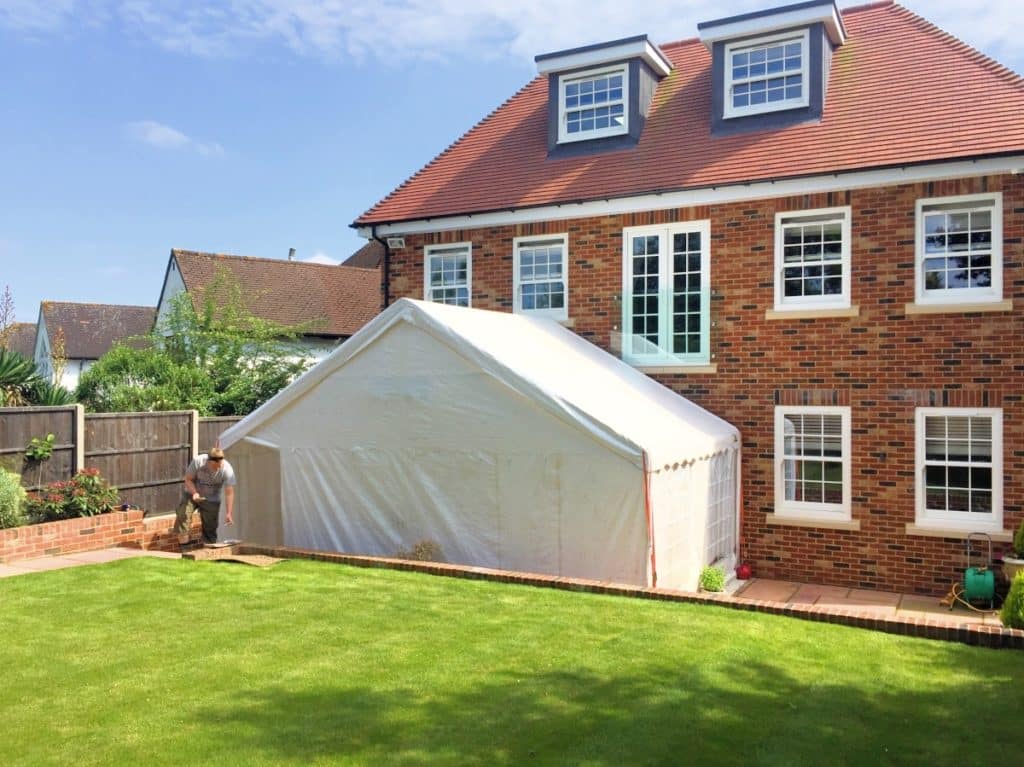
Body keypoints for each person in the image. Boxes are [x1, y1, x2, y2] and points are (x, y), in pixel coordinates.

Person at [176, 447, 236, 547]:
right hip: (192, 493)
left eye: (220, 465)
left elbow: (229, 493)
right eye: (215, 466)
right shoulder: (198, 462)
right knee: (183, 514)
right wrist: (194, 493)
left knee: (210, 527)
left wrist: (229, 513)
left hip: (212, 499)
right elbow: (188, 479)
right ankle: (184, 547)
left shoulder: (227, 469)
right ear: (208, 461)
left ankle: (209, 551)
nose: (218, 468)